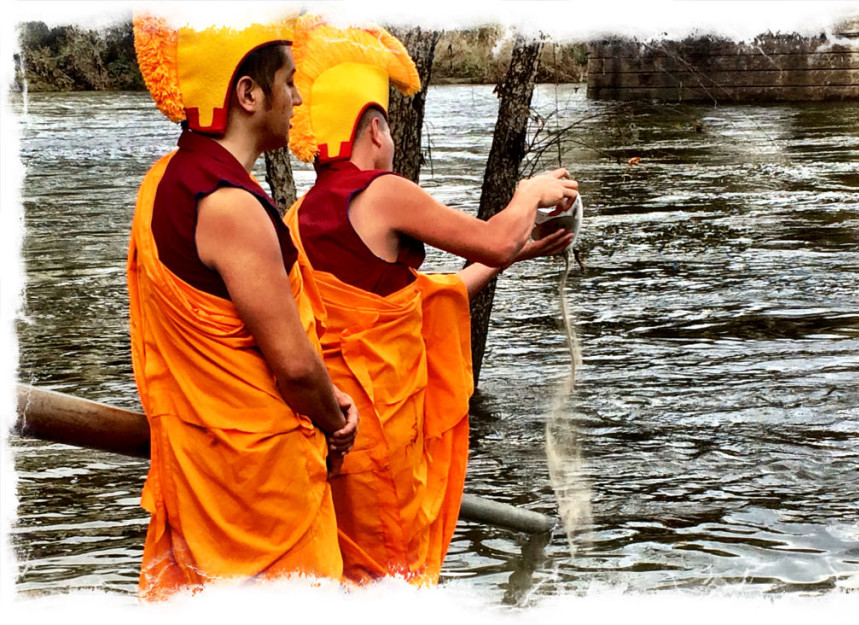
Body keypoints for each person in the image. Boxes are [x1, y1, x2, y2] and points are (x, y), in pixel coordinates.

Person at [283, 16, 578, 585]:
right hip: (384, 441)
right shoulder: (381, 192)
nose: (391, 143)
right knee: (395, 576)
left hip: (331, 437)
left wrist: (518, 254)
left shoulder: (299, 217)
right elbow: (492, 236)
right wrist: (529, 194)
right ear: (373, 130)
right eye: (388, 129)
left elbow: (426, 299)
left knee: (348, 577)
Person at [128, 12, 358, 600]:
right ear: (248, 94)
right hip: (263, 487)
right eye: (288, 82)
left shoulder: (162, 181)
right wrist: (335, 422)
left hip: (204, 468)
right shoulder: (229, 206)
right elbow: (295, 365)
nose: (299, 97)